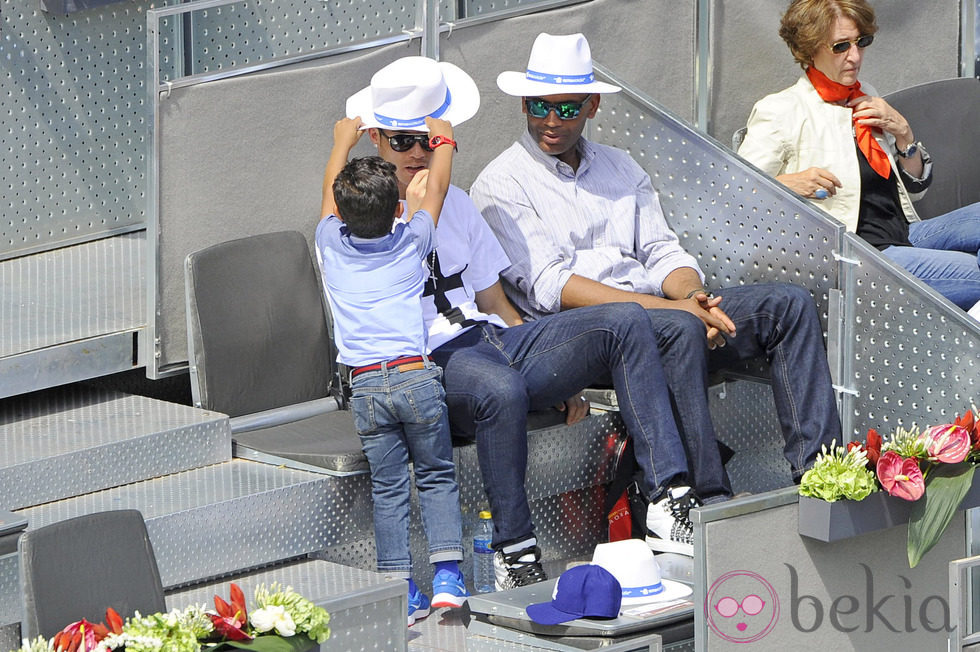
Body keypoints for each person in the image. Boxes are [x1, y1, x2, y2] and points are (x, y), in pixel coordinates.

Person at [323, 56, 733, 588]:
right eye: (403, 142)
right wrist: (343, 145)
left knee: (624, 319)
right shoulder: (357, 224)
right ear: (375, 140)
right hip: (419, 365)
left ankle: (665, 497)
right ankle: (514, 551)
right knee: (501, 388)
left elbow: (494, 302)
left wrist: (549, 368)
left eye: (428, 141)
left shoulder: (461, 205)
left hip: (484, 339)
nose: (419, 153)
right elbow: (334, 201)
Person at [470, 33, 842, 507]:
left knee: (786, 305)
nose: (550, 120)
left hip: (660, 313)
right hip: (581, 338)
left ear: (592, 107)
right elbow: (552, 287)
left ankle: (822, 475)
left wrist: (695, 296)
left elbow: (662, 251)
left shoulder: (620, 166)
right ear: (523, 103)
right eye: (539, 105)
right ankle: (708, 499)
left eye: (566, 109)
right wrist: (679, 311)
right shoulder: (500, 183)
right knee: (677, 329)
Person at [316, 106, 467, 626]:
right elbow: (439, 192)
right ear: (395, 208)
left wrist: (342, 140)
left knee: (389, 488)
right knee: (436, 476)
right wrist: (443, 142)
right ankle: (448, 577)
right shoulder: (412, 242)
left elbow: (326, 197)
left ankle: (401, 589)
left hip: (366, 387)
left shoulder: (329, 245)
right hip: (415, 377)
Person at [737, 0, 980, 311]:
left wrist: (904, 133)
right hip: (858, 253)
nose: (855, 56)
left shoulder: (867, 95)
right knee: (970, 273)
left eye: (861, 42)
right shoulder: (782, 109)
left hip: (905, 232)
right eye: (840, 46)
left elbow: (915, 193)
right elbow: (736, 195)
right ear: (810, 50)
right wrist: (788, 183)